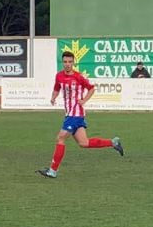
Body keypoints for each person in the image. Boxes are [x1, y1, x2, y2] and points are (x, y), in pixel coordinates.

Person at [37, 50, 124, 178]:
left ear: (73, 62)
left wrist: (84, 100)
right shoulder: (59, 76)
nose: (67, 64)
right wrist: (53, 97)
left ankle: (53, 170)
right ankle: (113, 142)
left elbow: (91, 88)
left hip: (76, 113)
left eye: (70, 62)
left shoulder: (78, 77)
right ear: (62, 62)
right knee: (84, 143)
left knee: (60, 138)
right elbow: (57, 88)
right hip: (69, 114)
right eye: (65, 62)